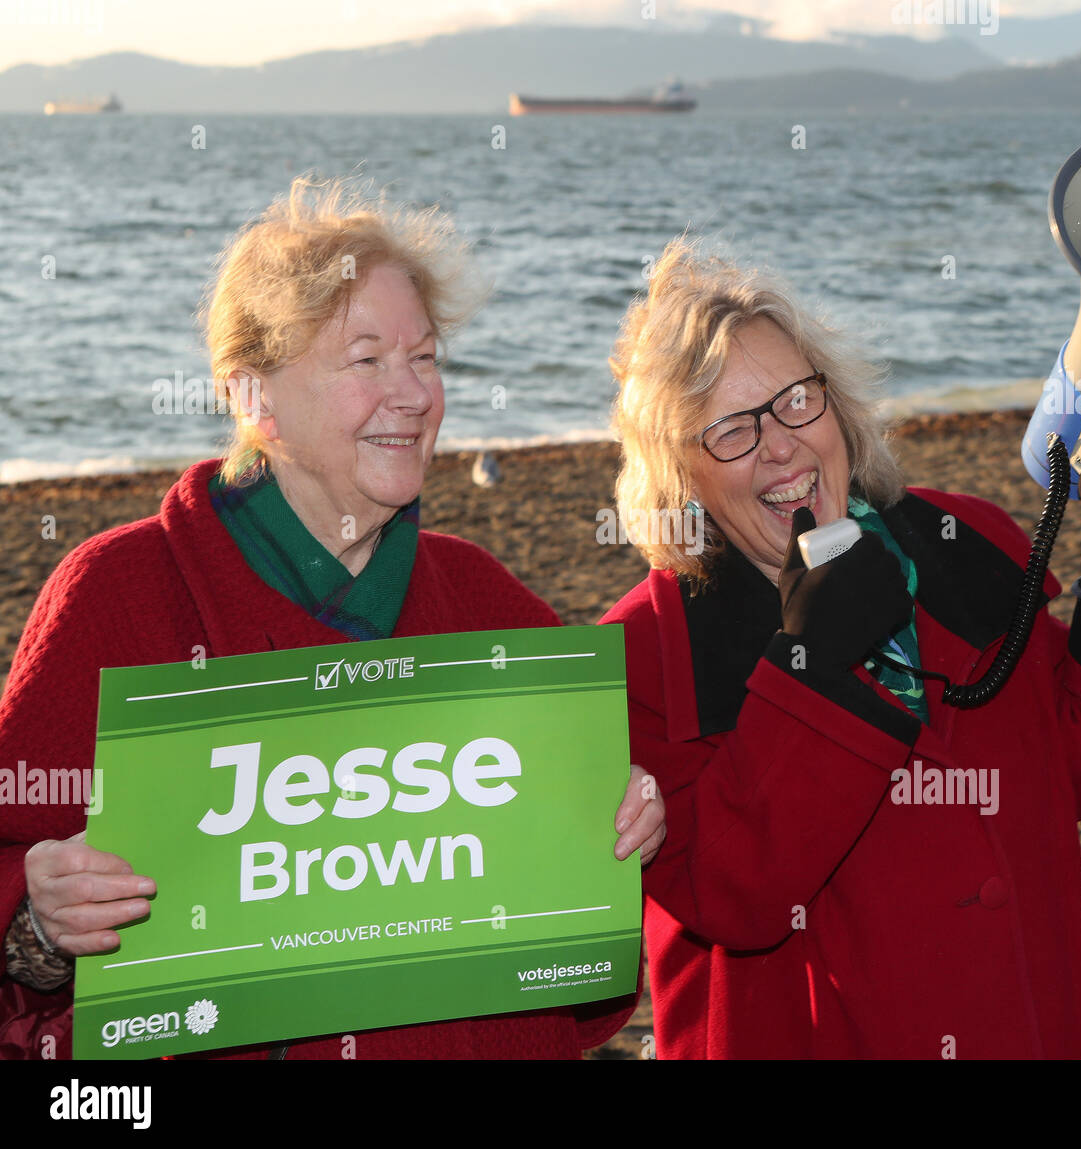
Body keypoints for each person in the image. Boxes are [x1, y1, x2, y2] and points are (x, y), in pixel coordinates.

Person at [0, 176, 664, 1060]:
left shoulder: (488, 603)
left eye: (425, 357)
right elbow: (16, 863)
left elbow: (584, 957)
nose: (415, 394)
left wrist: (631, 819)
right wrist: (37, 925)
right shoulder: (118, 595)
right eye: (366, 359)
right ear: (253, 397)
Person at [600, 240, 1081, 1059]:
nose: (780, 445)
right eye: (730, 429)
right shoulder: (645, 652)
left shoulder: (960, 542)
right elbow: (730, 894)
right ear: (679, 476)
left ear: (836, 407)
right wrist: (813, 668)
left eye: (795, 402)